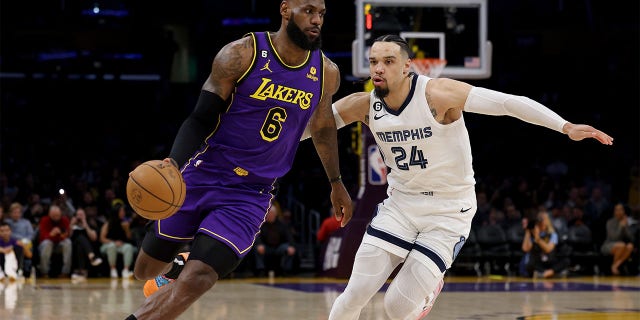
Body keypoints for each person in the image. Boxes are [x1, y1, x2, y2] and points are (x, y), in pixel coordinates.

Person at [318, 34, 613, 319]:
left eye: (389, 61)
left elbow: (507, 103)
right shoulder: (364, 104)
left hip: (448, 211)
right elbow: (307, 128)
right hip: (401, 206)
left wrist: (565, 126)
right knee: (355, 293)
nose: (378, 68)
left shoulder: (438, 93)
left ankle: (429, 287)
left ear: (407, 66)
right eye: (373, 62)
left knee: (396, 308)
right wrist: (271, 132)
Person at [126, 1, 352, 319]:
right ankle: (177, 264)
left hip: (250, 192)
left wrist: (336, 182)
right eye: (308, 11)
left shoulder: (325, 73)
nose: (317, 20)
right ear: (286, 10)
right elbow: (202, 117)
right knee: (145, 270)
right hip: (205, 173)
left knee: (200, 277)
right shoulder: (242, 54)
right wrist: (174, 163)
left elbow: (324, 128)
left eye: (322, 14)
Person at [521, 210, 570, 278]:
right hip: (539, 261)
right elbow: (525, 249)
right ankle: (554, 274)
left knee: (565, 261)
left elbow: (548, 249)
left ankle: (550, 272)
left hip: (551, 260)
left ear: (547, 221)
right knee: (529, 264)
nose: (541, 222)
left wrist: (538, 239)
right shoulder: (533, 232)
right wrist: (528, 231)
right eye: (539, 219)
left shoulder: (553, 233)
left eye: (543, 219)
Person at [253, 204, 298, 276]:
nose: (270, 216)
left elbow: (289, 237)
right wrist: (259, 245)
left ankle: (287, 270)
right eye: (268, 214)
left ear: (275, 214)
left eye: (271, 214)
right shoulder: (261, 224)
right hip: (266, 247)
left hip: (279, 247)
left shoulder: (282, 224)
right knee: (257, 248)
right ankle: (260, 270)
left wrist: (291, 246)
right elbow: (257, 236)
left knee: (290, 249)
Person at [100, 203, 137, 279]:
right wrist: (113, 242)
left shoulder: (125, 223)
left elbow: (129, 238)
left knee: (128, 247)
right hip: (108, 245)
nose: (123, 213)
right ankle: (113, 269)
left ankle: (126, 270)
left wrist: (127, 229)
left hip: (121, 245)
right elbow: (102, 238)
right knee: (112, 246)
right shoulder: (108, 223)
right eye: (122, 211)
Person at [38, 204, 72, 278]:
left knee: (68, 242)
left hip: (59, 244)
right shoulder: (44, 220)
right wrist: (51, 234)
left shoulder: (64, 220)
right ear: (50, 214)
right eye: (54, 216)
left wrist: (61, 235)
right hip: (47, 245)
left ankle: (65, 272)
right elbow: (42, 237)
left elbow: (67, 234)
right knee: (47, 243)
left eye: (58, 215)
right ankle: (44, 272)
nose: (56, 218)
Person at [600, 203, 635, 275]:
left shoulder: (625, 222)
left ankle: (615, 265)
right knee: (621, 245)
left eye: (621, 209)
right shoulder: (610, 222)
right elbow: (614, 238)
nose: (619, 211)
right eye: (617, 210)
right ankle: (615, 267)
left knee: (630, 246)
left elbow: (631, 238)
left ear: (624, 211)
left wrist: (625, 226)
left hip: (621, 245)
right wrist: (621, 226)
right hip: (608, 245)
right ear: (614, 212)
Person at [70, 207, 103, 280]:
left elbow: (94, 238)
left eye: (81, 215)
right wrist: (71, 224)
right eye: (78, 215)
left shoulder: (89, 224)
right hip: (73, 247)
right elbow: (68, 236)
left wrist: (86, 225)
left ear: (85, 216)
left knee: (80, 245)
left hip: (85, 249)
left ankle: (82, 272)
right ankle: (92, 256)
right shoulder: (72, 225)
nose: (79, 217)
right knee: (80, 238)